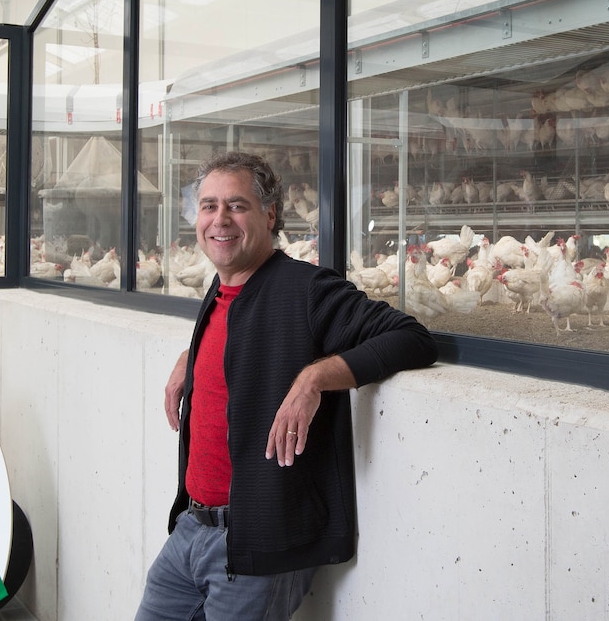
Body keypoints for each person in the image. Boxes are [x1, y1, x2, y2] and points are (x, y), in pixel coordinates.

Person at [135, 151, 439, 620]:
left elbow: (412, 339)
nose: (220, 219)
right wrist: (191, 356)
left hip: (255, 544)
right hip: (190, 529)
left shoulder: (307, 289)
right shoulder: (220, 290)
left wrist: (315, 377)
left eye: (236, 206)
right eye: (209, 206)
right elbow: (245, 345)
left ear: (269, 214)